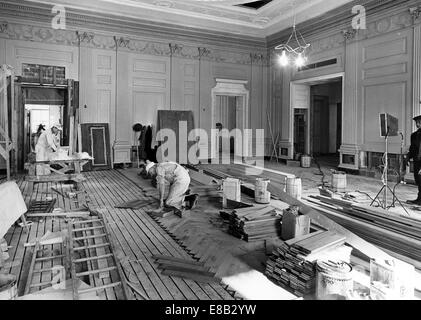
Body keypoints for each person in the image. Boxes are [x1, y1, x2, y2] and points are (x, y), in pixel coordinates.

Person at [405, 115, 421, 204]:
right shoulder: (414, 135)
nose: (417, 124)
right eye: (416, 123)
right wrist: (407, 157)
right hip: (416, 161)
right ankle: (419, 199)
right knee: (418, 180)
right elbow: (412, 149)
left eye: (419, 122)